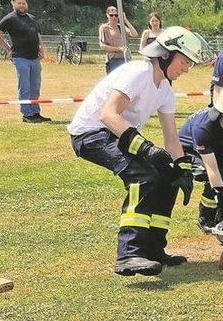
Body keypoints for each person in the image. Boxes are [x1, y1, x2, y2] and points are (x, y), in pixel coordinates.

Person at [67, 26, 202, 277]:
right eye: (184, 62)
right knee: (143, 176)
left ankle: (153, 250)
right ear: (166, 55)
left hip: (115, 133)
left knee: (167, 178)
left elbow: (172, 138)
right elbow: (108, 115)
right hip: (90, 133)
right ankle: (128, 254)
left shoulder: (165, 90)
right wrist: (146, 149)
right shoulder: (139, 72)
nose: (186, 68)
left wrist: (182, 168)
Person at [178, 86, 223, 230]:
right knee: (217, 176)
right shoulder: (203, 129)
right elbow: (212, 167)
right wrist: (222, 198)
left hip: (216, 148)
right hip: (190, 151)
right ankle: (206, 217)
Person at [0, 0, 50, 123]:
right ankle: (27, 115)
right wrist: (8, 48)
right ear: (13, 4)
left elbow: (38, 35)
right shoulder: (10, 18)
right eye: (19, 3)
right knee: (25, 87)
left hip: (35, 58)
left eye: (23, 3)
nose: (21, 5)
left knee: (35, 87)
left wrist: (42, 50)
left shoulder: (32, 18)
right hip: (21, 58)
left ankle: (35, 112)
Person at [99, 6, 137, 74]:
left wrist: (125, 20)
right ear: (107, 15)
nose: (114, 17)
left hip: (124, 59)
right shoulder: (104, 28)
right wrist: (119, 49)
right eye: (111, 15)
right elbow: (102, 46)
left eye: (116, 15)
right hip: (113, 60)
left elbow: (134, 34)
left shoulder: (121, 27)